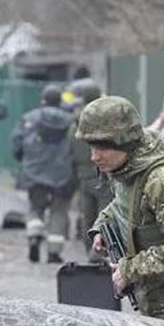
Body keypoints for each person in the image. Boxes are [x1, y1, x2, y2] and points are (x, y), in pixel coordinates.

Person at [76, 95, 164, 326]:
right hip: (156, 296)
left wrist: (129, 270)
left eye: (102, 146)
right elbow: (128, 203)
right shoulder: (130, 164)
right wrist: (104, 225)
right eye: (91, 146)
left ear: (123, 141)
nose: (94, 156)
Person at [13, 85, 74, 264]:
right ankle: (54, 252)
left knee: (35, 207)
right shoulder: (70, 121)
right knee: (59, 211)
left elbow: (17, 142)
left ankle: (34, 235)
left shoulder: (29, 118)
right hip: (63, 174)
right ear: (60, 101)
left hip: (35, 172)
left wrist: (23, 159)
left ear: (43, 100)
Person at [64, 76, 112, 261]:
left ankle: (90, 255)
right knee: (104, 219)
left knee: (87, 218)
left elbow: (71, 149)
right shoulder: (106, 118)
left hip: (84, 177)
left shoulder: (76, 121)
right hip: (104, 176)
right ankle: (99, 256)